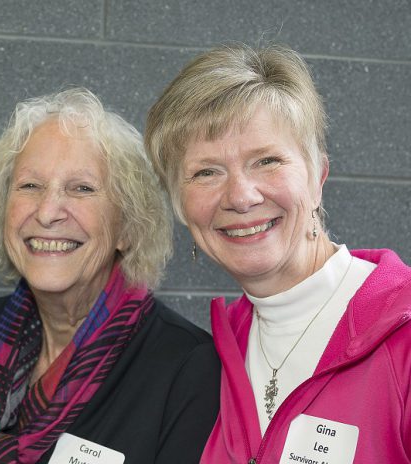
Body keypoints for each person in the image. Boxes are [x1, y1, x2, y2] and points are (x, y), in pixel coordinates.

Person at [145, 43, 411, 463]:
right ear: (179, 205)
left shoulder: (403, 332)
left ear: (318, 177)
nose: (240, 196)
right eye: (206, 172)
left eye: (266, 160)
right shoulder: (213, 354)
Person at [0, 87, 220, 464]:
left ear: (127, 227)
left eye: (82, 189)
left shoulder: (186, 367)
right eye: (29, 186)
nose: (48, 211)